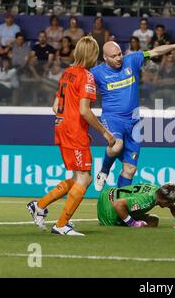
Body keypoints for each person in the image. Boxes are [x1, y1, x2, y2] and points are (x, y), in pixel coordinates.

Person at [27, 36, 116, 236]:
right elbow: (85, 111)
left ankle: (39, 206)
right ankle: (61, 225)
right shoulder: (86, 76)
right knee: (84, 179)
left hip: (61, 127)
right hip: (74, 131)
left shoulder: (67, 73)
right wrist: (105, 132)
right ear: (91, 54)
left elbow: (55, 106)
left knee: (78, 177)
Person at [91, 40, 175, 191]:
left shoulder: (132, 60)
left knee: (130, 170)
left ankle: (119, 203)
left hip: (134, 122)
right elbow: (77, 84)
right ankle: (104, 171)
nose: (118, 58)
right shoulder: (96, 73)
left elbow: (155, 51)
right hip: (113, 118)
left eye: (119, 54)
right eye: (113, 56)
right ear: (105, 57)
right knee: (117, 146)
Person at [97, 182, 175, 229]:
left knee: (153, 220)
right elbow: (118, 204)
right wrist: (133, 223)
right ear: (165, 202)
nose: (172, 204)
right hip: (109, 212)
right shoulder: (146, 200)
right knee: (152, 222)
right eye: (171, 202)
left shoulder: (157, 190)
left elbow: (173, 207)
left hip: (107, 194)